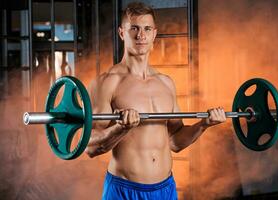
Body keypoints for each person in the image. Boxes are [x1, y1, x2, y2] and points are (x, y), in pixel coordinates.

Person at [85, 2, 226, 199]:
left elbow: (175, 141)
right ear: (121, 33)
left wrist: (204, 124)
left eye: (147, 29)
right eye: (134, 28)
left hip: (165, 189)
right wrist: (121, 128)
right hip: (124, 190)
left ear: (154, 34)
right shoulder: (107, 83)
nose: (140, 35)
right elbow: (91, 147)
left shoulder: (166, 83)